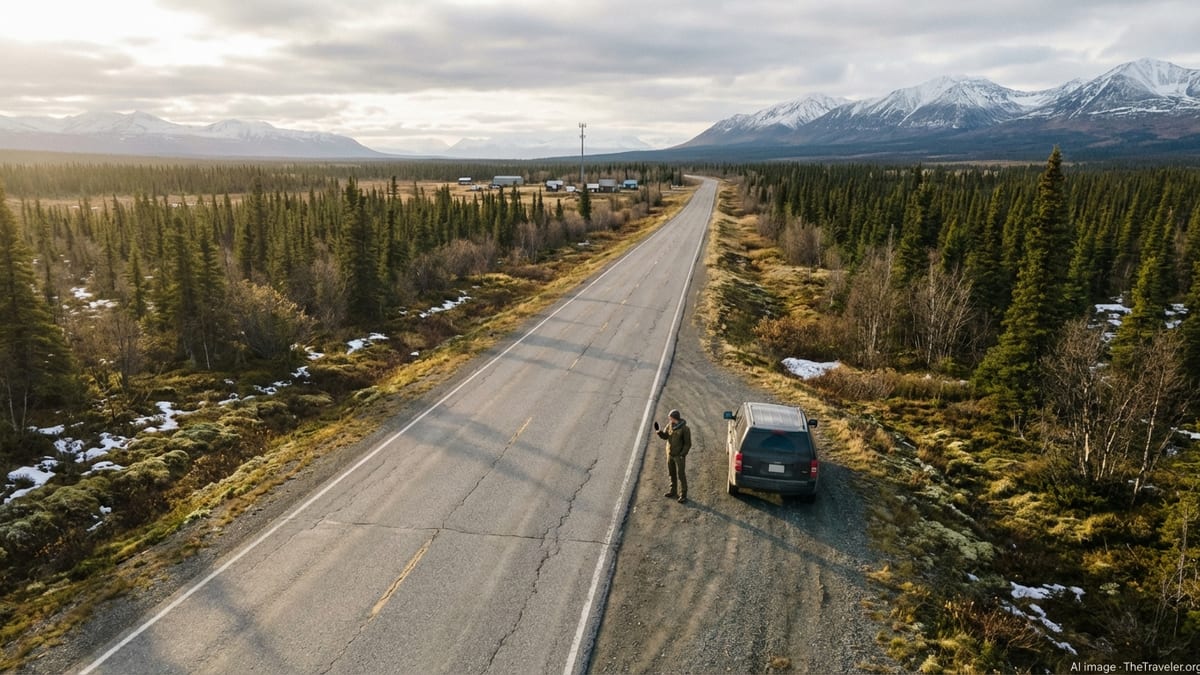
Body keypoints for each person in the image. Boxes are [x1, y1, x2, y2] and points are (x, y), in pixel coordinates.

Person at [654, 409, 692, 503]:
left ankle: (683, 494)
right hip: (670, 454)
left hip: (679, 456)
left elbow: (688, 444)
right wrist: (659, 432)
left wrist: (682, 454)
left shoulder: (685, 429)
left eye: (670, 418)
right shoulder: (669, 425)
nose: (669, 419)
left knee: (681, 475)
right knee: (671, 473)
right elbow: (666, 436)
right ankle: (673, 491)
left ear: (675, 418)